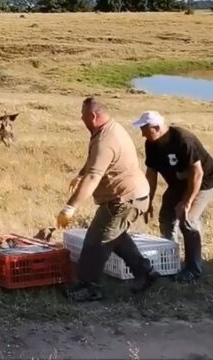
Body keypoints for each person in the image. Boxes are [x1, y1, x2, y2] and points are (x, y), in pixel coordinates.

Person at [59, 97, 160, 302]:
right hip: (129, 196)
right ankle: (146, 273)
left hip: (125, 199)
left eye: (83, 115)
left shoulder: (106, 139)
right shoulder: (108, 130)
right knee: (117, 238)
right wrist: (80, 174)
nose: (81, 118)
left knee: (97, 241)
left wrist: (70, 207)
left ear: (93, 116)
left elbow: (94, 176)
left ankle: (90, 287)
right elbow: (95, 162)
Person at [133, 110, 213, 283]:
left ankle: (193, 269)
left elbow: (197, 173)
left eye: (145, 128)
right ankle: (170, 261)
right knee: (166, 217)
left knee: (188, 220)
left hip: (203, 183)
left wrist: (187, 202)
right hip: (178, 184)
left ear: (157, 127)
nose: (142, 133)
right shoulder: (151, 144)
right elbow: (151, 173)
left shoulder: (183, 140)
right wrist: (148, 200)